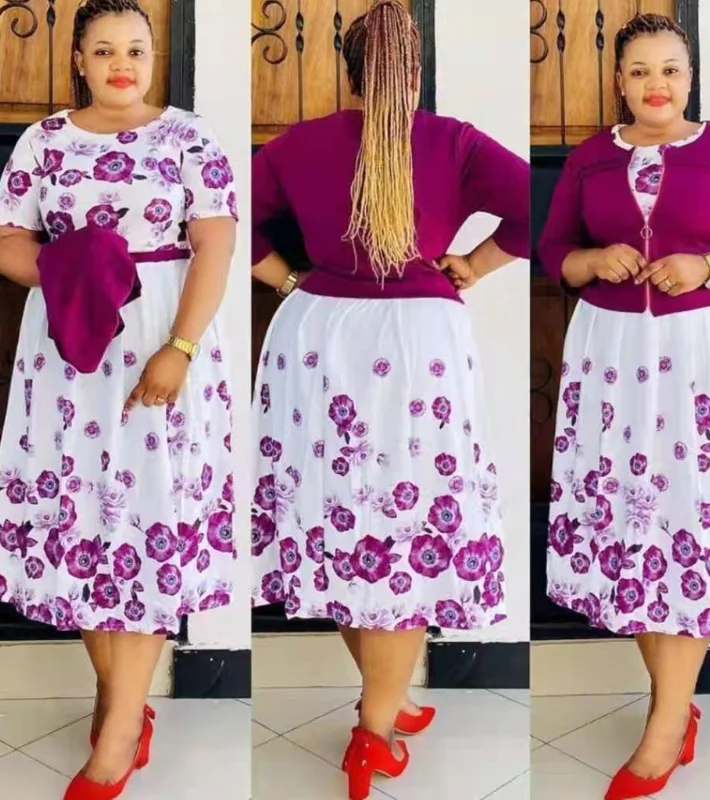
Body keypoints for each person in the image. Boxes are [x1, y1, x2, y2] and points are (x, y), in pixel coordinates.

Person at [250, 1, 529, 797]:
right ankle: (375, 731)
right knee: (404, 529)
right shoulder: (451, 141)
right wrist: (476, 263)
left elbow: (228, 223)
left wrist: (290, 280)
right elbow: (543, 203)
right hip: (418, 347)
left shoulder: (297, 144)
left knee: (345, 521)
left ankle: (387, 702)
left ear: (348, 71)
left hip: (320, 339)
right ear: (416, 71)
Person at [537, 13, 710, 800]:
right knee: (635, 524)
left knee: (691, 517)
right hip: (613, 359)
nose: (657, 84)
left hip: (705, 360)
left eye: (671, 69)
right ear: (619, 81)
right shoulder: (589, 158)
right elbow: (554, 252)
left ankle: (664, 723)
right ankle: (675, 710)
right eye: (641, 70)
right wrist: (591, 259)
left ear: (690, 77)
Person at [0, 1, 238, 797]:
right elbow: (9, 239)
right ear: (78, 60)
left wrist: (180, 347)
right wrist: (70, 272)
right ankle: (122, 704)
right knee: (84, 522)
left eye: (136, 49)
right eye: (103, 51)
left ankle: (120, 732)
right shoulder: (43, 141)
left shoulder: (189, 137)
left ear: (153, 56)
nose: (121, 65)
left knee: (146, 518)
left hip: (160, 336)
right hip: (67, 352)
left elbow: (216, 244)